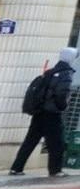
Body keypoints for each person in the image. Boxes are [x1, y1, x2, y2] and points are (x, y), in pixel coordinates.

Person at [10, 46, 75, 178]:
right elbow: (61, 93)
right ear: (71, 58)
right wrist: (62, 106)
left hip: (39, 111)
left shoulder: (50, 72)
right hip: (52, 113)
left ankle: (16, 168)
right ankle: (55, 170)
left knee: (30, 141)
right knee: (56, 143)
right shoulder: (65, 74)